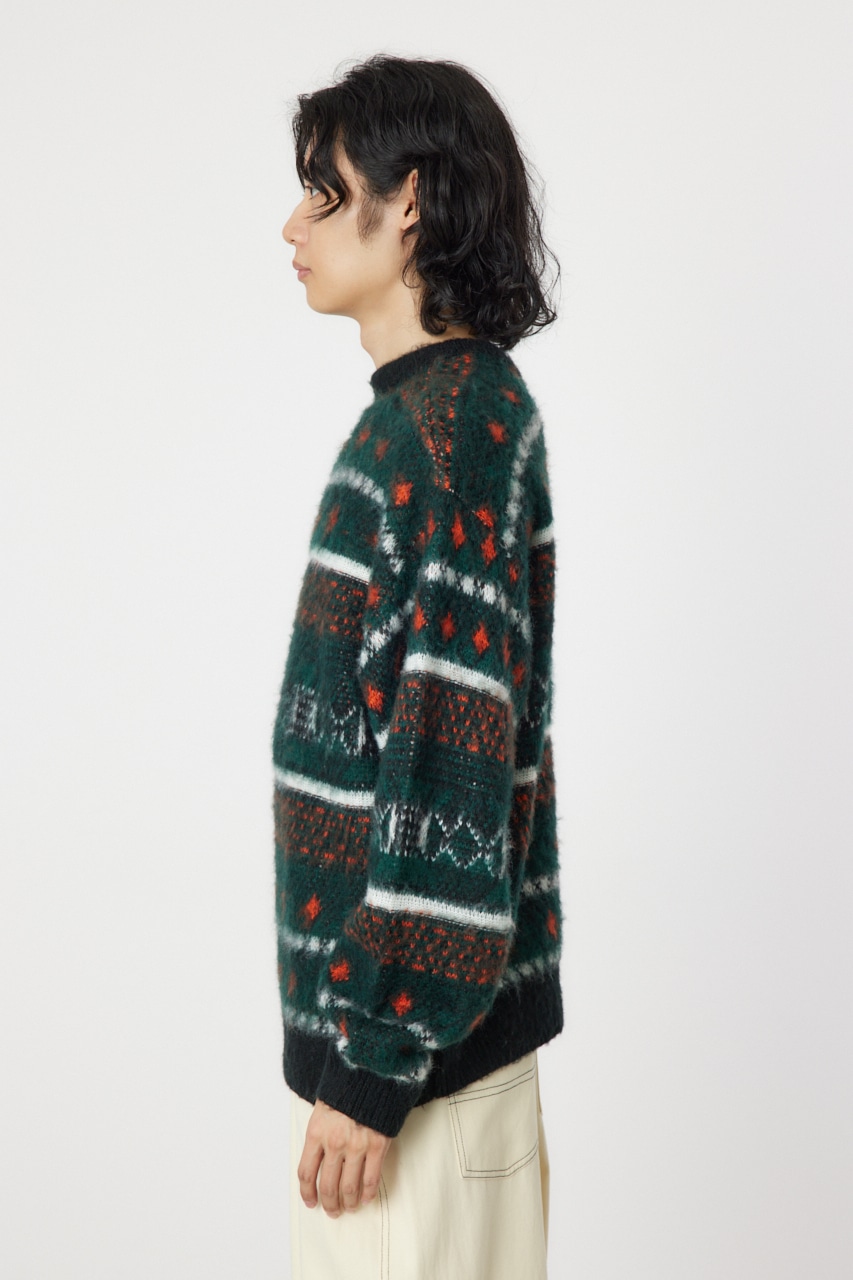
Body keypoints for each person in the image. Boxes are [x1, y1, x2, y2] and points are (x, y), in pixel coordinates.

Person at [272, 53, 564, 1279]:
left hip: (413, 1094)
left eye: (323, 192)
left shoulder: (446, 435)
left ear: (409, 203)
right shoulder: (438, 414)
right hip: (417, 1078)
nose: (291, 226)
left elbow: (445, 757)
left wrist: (372, 1064)